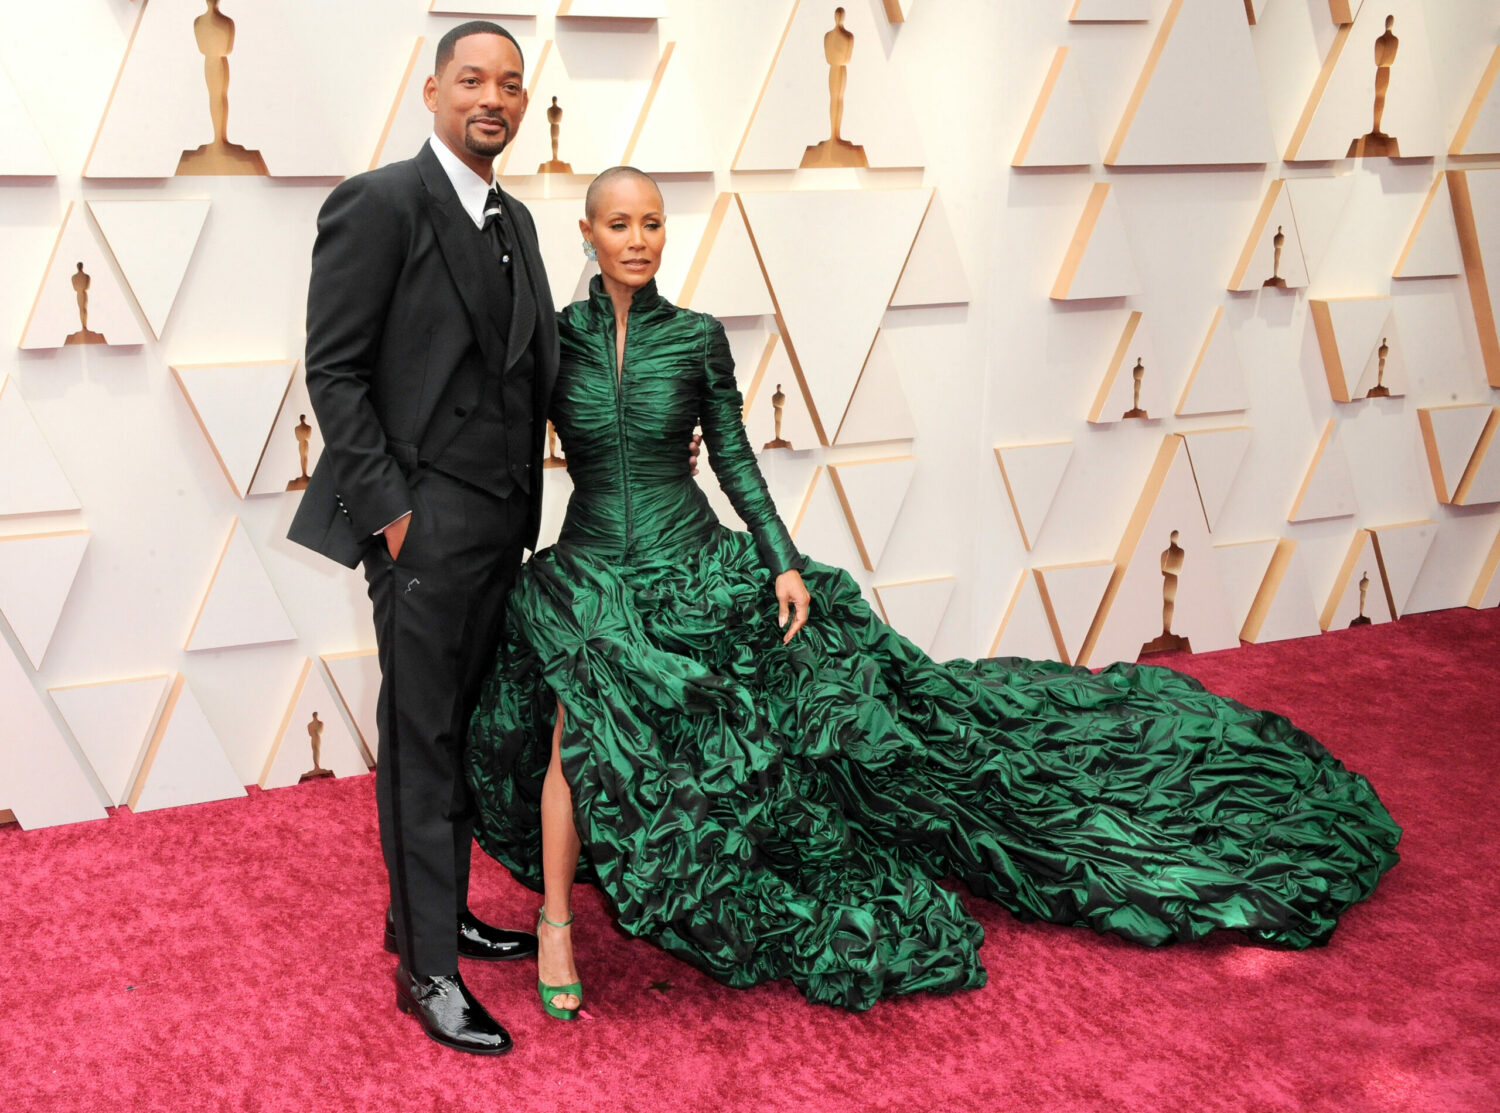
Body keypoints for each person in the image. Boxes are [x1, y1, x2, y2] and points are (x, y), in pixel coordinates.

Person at [465, 168, 1401, 1015]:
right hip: (591, 574)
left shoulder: (698, 339)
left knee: (760, 746)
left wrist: (783, 558)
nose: (638, 239)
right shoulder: (552, 342)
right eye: (619, 224)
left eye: (654, 224)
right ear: (586, 235)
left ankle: (711, 872)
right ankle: (555, 925)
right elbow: (508, 454)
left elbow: (737, 459)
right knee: (576, 741)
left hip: (695, 563)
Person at [289, 22, 555, 1056]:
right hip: (423, 528)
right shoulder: (381, 202)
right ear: (434, 90)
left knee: (453, 736)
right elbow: (335, 372)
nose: (493, 97)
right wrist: (395, 518)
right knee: (421, 741)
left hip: (499, 529)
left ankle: (425, 917)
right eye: (473, 79)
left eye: (511, 84)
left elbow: (529, 373)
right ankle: (428, 975)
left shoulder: (518, 219)